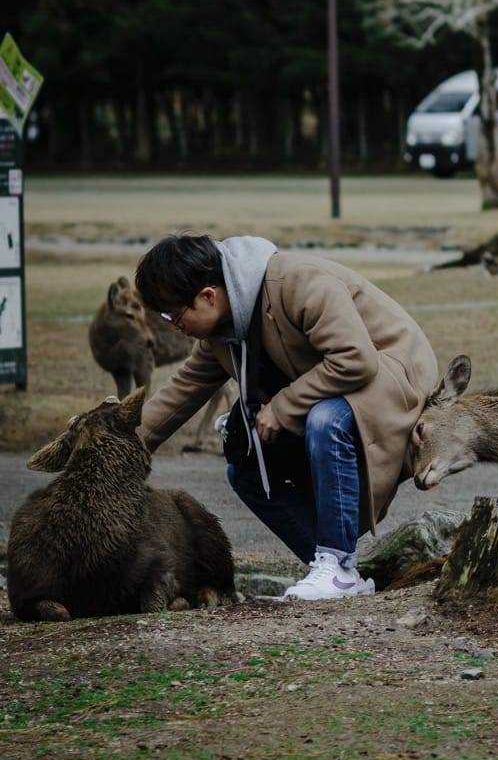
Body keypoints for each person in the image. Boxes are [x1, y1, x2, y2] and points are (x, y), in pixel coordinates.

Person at [134, 233, 439, 601]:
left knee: (325, 419)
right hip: (339, 384)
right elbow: (178, 394)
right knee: (245, 466)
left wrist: (283, 406)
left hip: (395, 374)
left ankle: (337, 566)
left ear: (208, 296)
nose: (172, 325)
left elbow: (355, 359)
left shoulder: (297, 282)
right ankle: (335, 569)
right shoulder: (222, 331)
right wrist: (120, 448)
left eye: (174, 315)